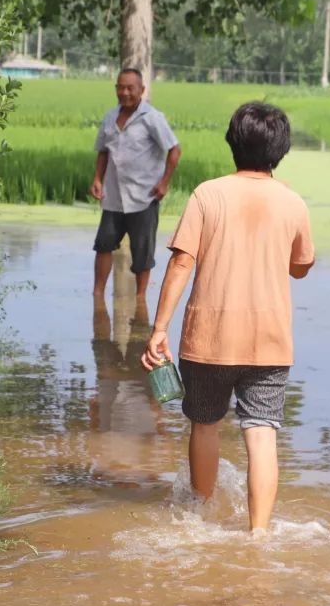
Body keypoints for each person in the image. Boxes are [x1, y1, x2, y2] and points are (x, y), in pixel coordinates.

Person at [141, 102, 315, 533]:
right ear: (281, 150)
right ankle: (259, 535)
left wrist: (160, 328)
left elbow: (181, 263)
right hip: (270, 340)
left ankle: (200, 517)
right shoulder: (292, 201)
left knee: (204, 425)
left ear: (232, 144)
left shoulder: (208, 194)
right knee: (262, 431)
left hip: (209, 337)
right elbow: (301, 266)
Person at [90, 69, 182, 298]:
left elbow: (174, 149)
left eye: (130, 88)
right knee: (103, 245)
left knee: (142, 254)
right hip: (113, 196)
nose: (125, 92)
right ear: (116, 89)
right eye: (121, 87)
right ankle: (97, 294)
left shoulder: (152, 118)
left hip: (144, 197)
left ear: (141, 90)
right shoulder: (110, 117)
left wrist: (164, 183)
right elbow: (103, 151)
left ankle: (141, 300)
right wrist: (97, 179)